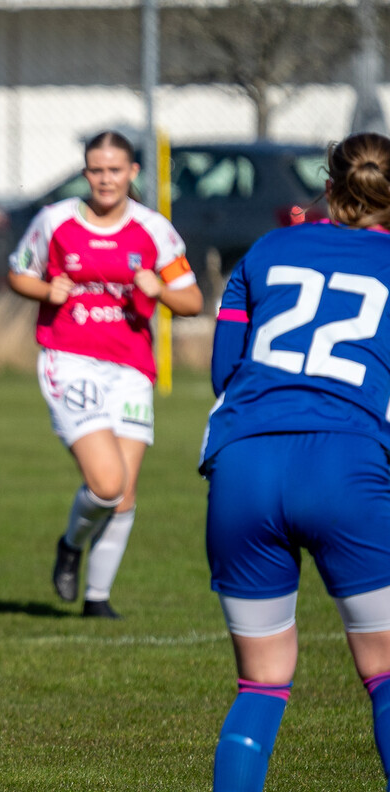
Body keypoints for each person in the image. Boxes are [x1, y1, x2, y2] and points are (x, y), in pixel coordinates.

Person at [201, 132, 390, 791]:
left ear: (329, 187)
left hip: (244, 465)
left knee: (261, 683)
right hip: (344, 465)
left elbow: (224, 372)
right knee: (385, 674)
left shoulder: (267, 249)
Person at [7, 130, 203, 618]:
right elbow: (19, 273)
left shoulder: (154, 230)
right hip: (69, 361)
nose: (106, 179)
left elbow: (192, 301)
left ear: (133, 172)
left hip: (132, 368)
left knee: (125, 493)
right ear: (85, 173)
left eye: (115, 170)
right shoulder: (55, 221)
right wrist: (45, 291)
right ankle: (71, 544)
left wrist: (159, 289)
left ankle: (97, 599)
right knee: (107, 482)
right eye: (96, 170)